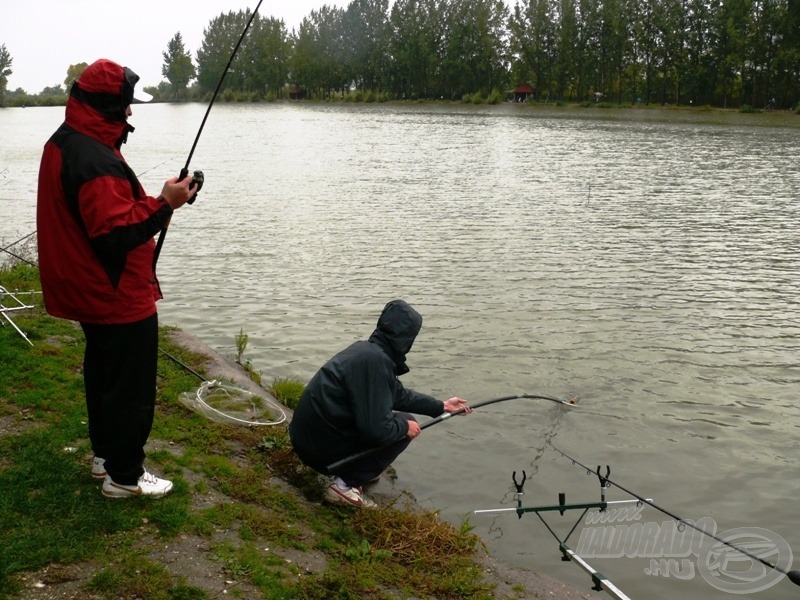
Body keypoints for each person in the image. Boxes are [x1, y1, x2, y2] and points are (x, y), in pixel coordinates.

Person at [37, 58, 197, 498]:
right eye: (126, 105)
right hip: (113, 293)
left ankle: (105, 458)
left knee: (104, 376)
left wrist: (161, 200)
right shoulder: (94, 157)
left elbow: (107, 213)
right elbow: (114, 235)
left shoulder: (69, 142)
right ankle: (125, 477)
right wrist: (164, 204)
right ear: (109, 106)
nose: (131, 113)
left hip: (90, 287)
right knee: (131, 387)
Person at [289, 299, 471, 508]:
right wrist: (404, 427)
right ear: (406, 338)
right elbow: (376, 430)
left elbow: (397, 394)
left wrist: (441, 406)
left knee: (396, 420)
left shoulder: (366, 352)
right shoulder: (376, 362)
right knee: (404, 424)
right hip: (317, 450)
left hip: (306, 440)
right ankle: (343, 486)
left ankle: (354, 472)